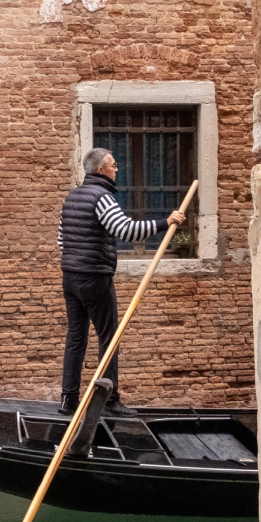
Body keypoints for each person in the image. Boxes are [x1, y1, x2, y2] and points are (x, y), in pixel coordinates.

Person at [57, 148, 187, 416]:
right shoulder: (102, 198)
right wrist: (166, 221)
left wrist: (78, 262)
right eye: (113, 166)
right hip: (95, 278)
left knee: (76, 337)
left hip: (70, 277)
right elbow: (126, 231)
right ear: (101, 170)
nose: (117, 170)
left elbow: (62, 241)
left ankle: (68, 400)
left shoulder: (71, 197)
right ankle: (109, 401)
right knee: (109, 338)